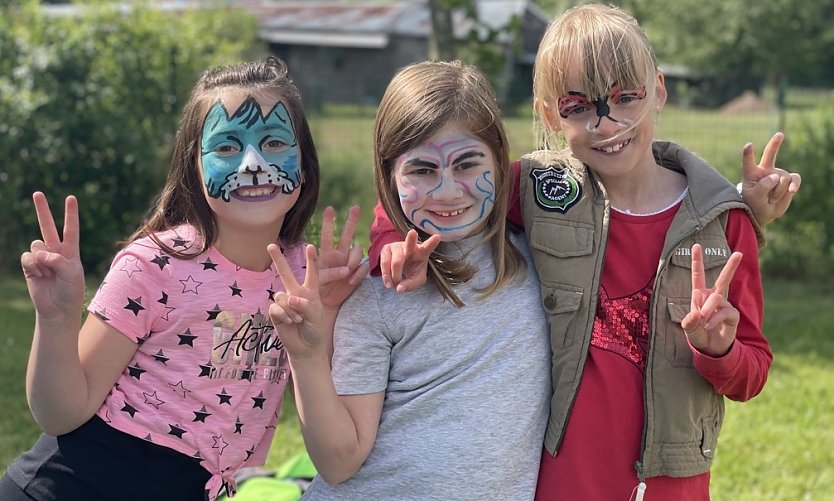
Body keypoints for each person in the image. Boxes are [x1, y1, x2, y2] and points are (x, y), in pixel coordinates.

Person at [369, 5, 791, 500]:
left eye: (626, 98)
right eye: (578, 107)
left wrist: (718, 349)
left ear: (658, 89)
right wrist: (390, 244)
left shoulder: (724, 224)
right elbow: (438, 189)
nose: (606, 124)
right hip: (557, 478)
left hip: (671, 483)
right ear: (551, 114)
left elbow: (751, 374)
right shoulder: (539, 189)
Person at [0, 56, 366, 501]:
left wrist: (328, 309)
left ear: (304, 165)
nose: (252, 163)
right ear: (195, 165)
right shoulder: (152, 264)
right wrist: (55, 320)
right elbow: (59, 415)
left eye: (273, 143)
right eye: (228, 147)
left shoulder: (306, 282)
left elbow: (333, 443)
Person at [265, 60, 552, 499]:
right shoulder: (378, 293)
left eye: (467, 164)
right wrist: (306, 358)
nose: (448, 190)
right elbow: (340, 462)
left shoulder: (546, 258)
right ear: (389, 175)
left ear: (500, 159)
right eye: (422, 170)